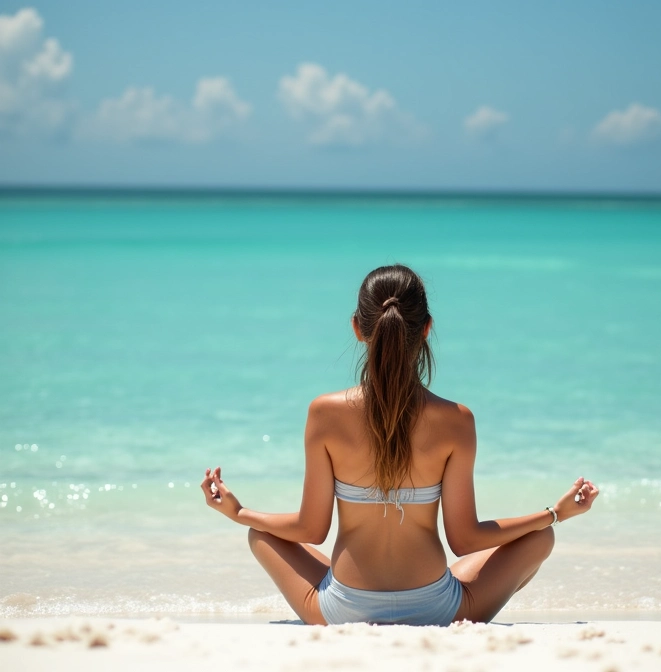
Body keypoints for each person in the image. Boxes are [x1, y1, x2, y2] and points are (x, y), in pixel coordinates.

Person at [201, 264, 598, 626]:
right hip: (438, 609)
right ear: (426, 328)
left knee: (259, 533)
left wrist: (239, 512)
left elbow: (311, 529)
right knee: (541, 535)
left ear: (358, 328)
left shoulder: (324, 412)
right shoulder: (457, 420)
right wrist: (554, 513)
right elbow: (464, 540)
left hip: (342, 610)